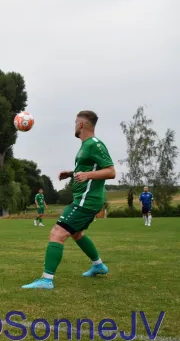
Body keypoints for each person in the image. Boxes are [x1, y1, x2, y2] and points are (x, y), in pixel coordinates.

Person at [22, 110, 115, 290]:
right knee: (76, 233)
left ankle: (46, 280)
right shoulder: (86, 146)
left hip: (86, 200)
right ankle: (98, 265)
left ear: (81, 124)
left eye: (75, 122)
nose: (74, 126)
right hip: (85, 199)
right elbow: (89, 167)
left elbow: (111, 171)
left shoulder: (95, 144)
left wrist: (87, 175)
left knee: (57, 233)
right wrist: (71, 174)